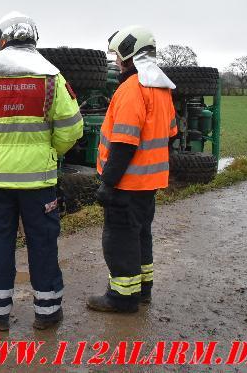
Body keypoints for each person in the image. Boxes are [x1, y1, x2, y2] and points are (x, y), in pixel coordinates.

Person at [0, 12, 83, 331]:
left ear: (2, 41)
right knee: (42, 244)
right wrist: (51, 151)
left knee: (1, 245)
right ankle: (47, 314)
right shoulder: (53, 80)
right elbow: (72, 128)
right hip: (39, 182)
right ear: (33, 41)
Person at [87, 25, 177, 313]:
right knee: (141, 236)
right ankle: (143, 290)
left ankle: (122, 298)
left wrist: (108, 184)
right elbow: (171, 135)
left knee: (120, 241)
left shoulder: (131, 89)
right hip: (149, 183)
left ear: (129, 54)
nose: (115, 62)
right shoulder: (162, 88)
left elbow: (124, 143)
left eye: (117, 56)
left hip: (126, 184)